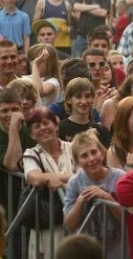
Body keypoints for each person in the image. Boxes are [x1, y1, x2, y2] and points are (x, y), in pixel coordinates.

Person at [63, 131, 126, 259]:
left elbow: (128, 219)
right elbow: (69, 225)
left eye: (93, 152)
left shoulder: (120, 177)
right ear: (77, 162)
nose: (91, 159)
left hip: (119, 251)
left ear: (101, 153)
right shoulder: (75, 183)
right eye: (84, 156)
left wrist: (107, 197)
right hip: (88, 253)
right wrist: (80, 201)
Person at [23, 107, 75, 258]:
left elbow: (86, 177)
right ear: (32, 134)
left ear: (56, 125)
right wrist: (71, 178)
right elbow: (35, 178)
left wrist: (58, 181)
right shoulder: (31, 153)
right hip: (47, 224)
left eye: (46, 123)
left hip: (76, 219)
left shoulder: (73, 147)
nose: (43, 128)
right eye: (37, 126)